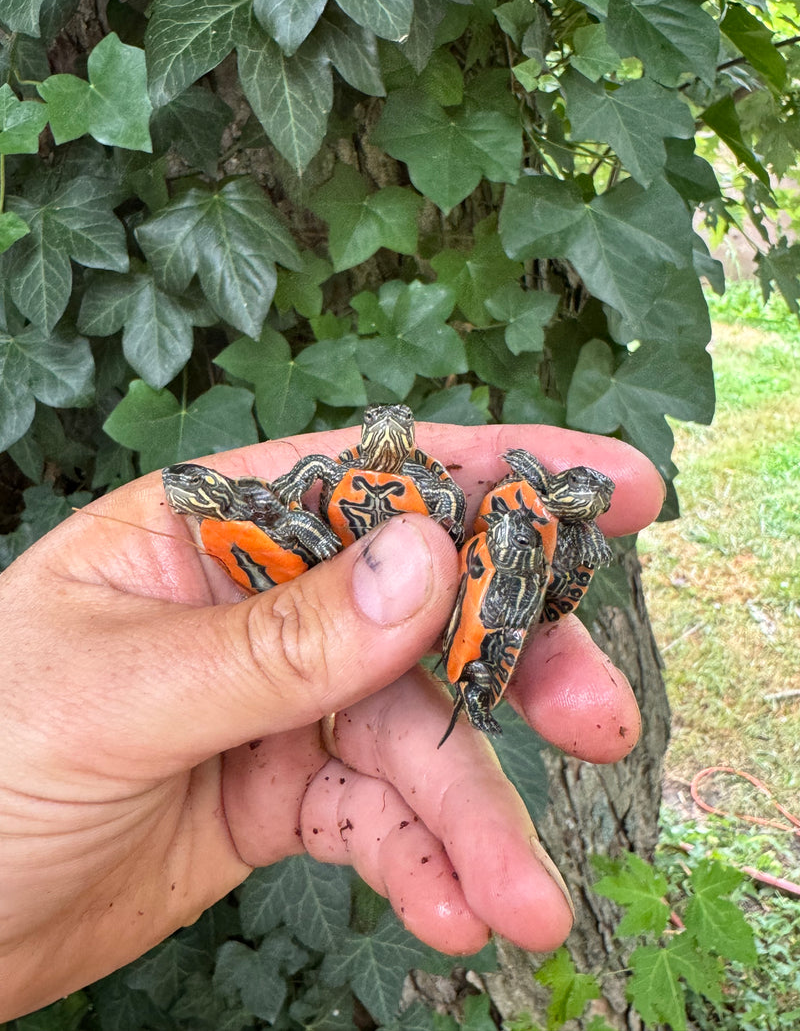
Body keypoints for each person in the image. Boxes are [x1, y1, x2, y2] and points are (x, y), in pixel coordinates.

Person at [0, 420, 664, 1021]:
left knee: (484, 611)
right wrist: (320, 603)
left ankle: (476, 663)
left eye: (395, 428)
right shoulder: (278, 502)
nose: (385, 430)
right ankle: (469, 655)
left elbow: (453, 516)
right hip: (361, 578)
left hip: (465, 586)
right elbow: (317, 524)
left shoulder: (468, 497)